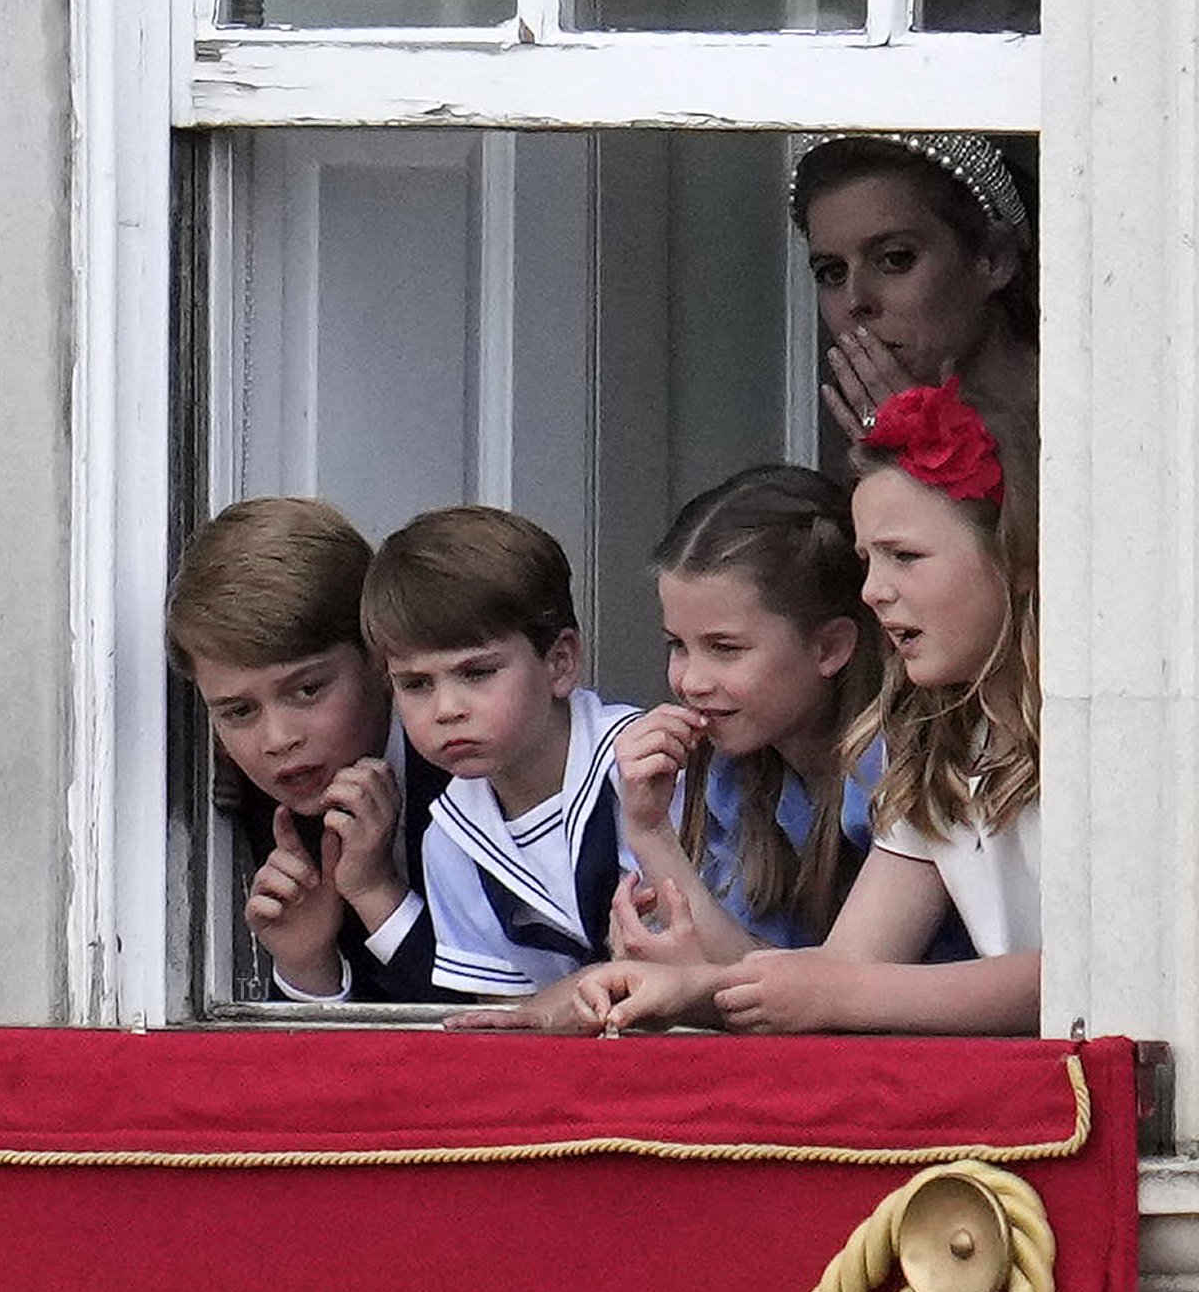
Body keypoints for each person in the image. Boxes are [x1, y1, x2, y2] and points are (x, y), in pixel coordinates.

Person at [573, 378, 1040, 1035]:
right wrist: (681, 986)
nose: (875, 591)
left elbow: (1090, 975)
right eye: (867, 562)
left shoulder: (1091, 737)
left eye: (905, 557)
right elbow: (836, 976)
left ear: (1017, 557)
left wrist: (729, 986)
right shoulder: (943, 743)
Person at [165, 497, 450, 1003]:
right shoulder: (271, 804)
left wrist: (376, 891)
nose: (278, 739)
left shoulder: (473, 763)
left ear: (380, 661)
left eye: (307, 690)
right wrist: (306, 965)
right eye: (238, 712)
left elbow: (505, 1022)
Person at [359, 505, 641, 999]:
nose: (446, 709)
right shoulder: (449, 840)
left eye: (477, 673)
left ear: (560, 662)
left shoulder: (643, 763)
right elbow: (507, 1019)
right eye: (416, 683)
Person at [608, 464, 881, 967]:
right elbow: (748, 969)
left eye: (724, 648)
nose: (691, 681)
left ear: (830, 647)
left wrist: (654, 842)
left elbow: (789, 993)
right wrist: (649, 832)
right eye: (677, 645)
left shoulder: (889, 768)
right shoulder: (736, 773)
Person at [789, 130, 1036, 443]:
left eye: (895, 259)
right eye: (832, 272)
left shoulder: (1095, 412)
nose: (856, 300)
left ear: (993, 259)